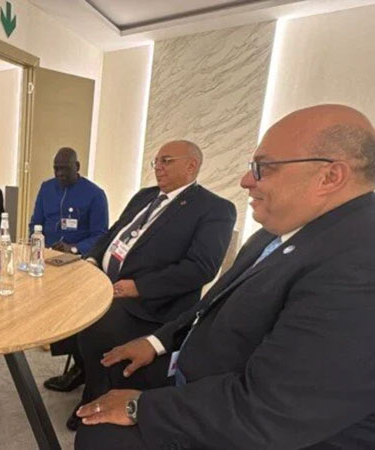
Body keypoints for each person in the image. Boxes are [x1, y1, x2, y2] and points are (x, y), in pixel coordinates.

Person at [76, 104, 375, 449]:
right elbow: (212, 303)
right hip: (201, 374)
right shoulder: (276, 232)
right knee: (113, 367)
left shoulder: (360, 266)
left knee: (101, 436)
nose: (245, 180)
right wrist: (156, 342)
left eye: (263, 168)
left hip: (247, 425)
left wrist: (139, 407)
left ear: (330, 177)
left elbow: (270, 412)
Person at [54, 140, 236, 431]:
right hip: (106, 282)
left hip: (152, 302)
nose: (158, 168)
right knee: (62, 302)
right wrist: (92, 260)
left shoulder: (215, 209)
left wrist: (140, 287)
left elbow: (201, 268)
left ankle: (95, 396)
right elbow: (113, 233)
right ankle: (83, 368)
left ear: (191, 166)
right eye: (156, 162)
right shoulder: (145, 196)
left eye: (166, 161)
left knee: (96, 326)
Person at [29, 147, 108, 256]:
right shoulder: (46, 188)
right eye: (56, 169)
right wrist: (39, 246)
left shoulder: (96, 195)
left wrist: (74, 248)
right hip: (44, 253)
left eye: (65, 169)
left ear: (77, 166)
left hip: (77, 256)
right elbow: (35, 224)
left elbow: (100, 236)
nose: (60, 173)